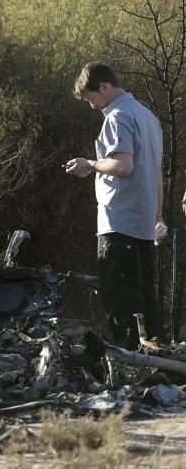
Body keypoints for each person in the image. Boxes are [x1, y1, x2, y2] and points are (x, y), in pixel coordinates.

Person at [67, 61, 165, 348]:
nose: (92, 106)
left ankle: (127, 371)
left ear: (104, 87)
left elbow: (123, 165)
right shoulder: (149, 117)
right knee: (147, 303)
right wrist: (158, 217)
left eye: (91, 98)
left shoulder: (118, 116)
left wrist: (91, 164)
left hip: (118, 222)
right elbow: (157, 174)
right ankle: (156, 368)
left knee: (122, 303)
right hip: (144, 224)